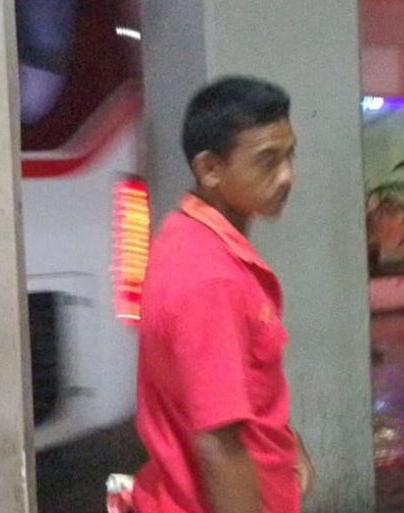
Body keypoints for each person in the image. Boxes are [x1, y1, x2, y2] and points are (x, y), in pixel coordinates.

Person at [133, 75, 315, 513]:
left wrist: (288, 442)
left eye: (289, 155)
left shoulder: (188, 236)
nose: (287, 176)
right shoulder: (212, 278)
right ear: (210, 169)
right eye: (267, 161)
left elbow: (246, 387)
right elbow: (220, 444)